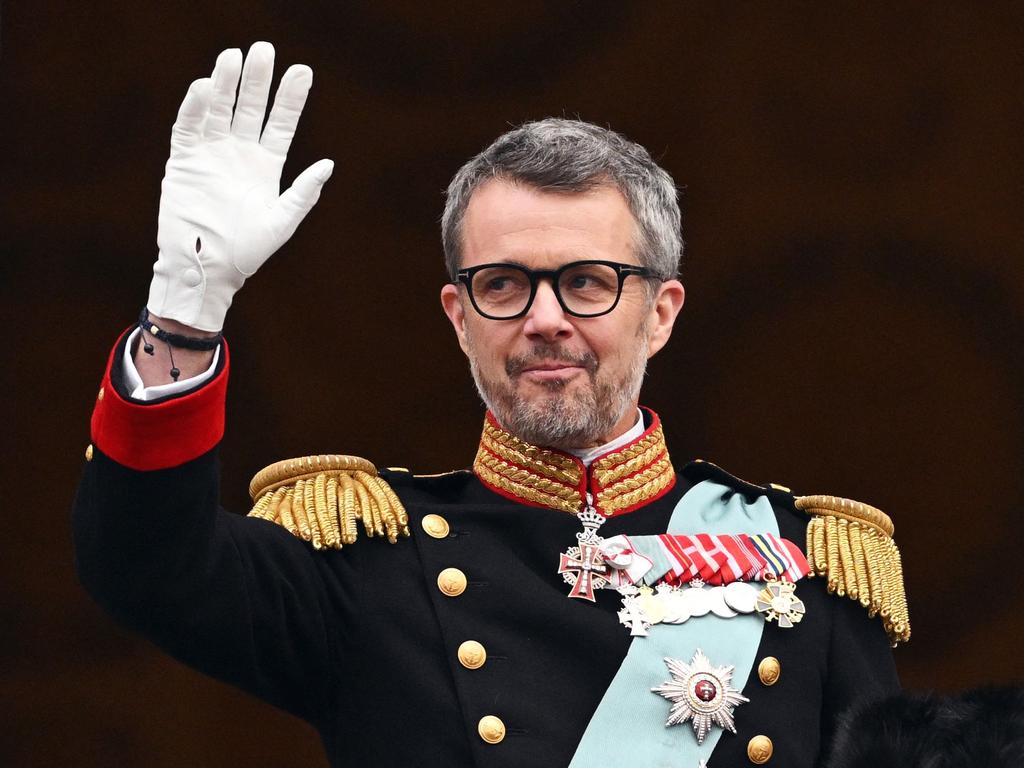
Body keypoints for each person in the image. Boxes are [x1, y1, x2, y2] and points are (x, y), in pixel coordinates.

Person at [73, 42, 909, 768]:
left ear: (660, 313)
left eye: (587, 283)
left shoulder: (803, 564)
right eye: (504, 284)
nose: (546, 321)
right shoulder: (367, 562)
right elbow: (146, 567)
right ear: (460, 316)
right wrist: (185, 307)